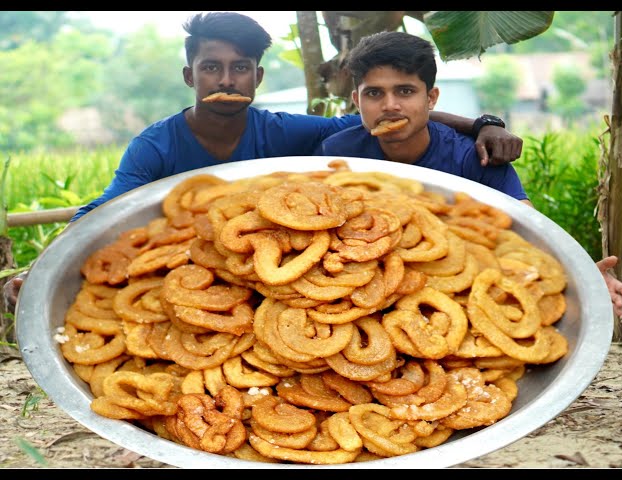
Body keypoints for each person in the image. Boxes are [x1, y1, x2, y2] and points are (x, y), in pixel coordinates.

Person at [2, 12, 522, 313]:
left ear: (257, 78)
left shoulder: (292, 132)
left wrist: (483, 124)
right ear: (191, 77)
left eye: (239, 68)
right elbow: (107, 208)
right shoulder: (154, 146)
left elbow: (378, 119)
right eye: (212, 68)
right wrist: (43, 269)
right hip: (210, 272)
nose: (225, 80)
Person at [313, 30, 622, 315]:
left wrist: (584, 274)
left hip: (464, 299)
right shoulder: (336, 155)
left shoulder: (475, 157)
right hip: (363, 300)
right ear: (356, 100)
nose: (390, 105)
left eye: (405, 91)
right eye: (374, 93)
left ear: (431, 98)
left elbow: (529, 228)